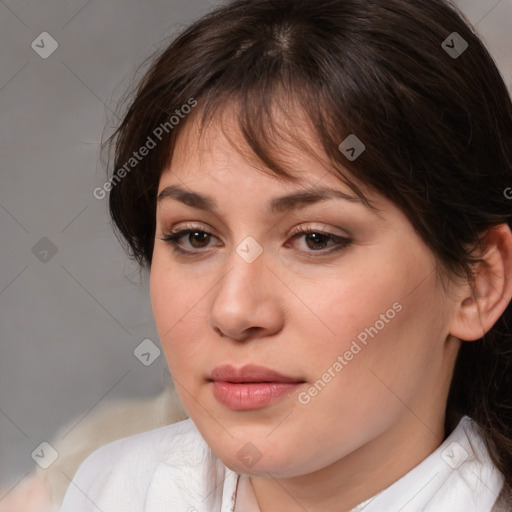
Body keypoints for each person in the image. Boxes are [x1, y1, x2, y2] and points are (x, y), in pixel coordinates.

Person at [60, 0, 512, 510]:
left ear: (479, 282)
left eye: (316, 238)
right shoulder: (113, 489)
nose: (233, 312)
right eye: (195, 237)